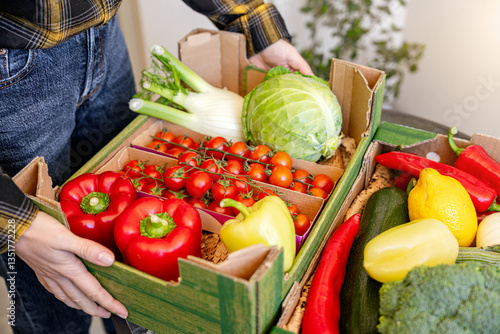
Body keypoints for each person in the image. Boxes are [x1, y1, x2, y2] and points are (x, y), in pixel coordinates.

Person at [0, 1, 312, 333]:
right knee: (49, 290)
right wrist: (13, 222)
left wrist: (251, 19)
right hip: (10, 68)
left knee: (134, 299)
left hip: (103, 32)